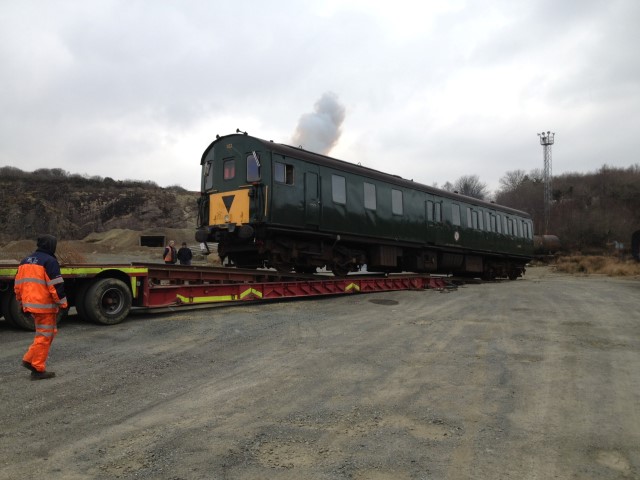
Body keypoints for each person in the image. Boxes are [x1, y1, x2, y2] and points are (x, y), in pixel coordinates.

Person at [16, 234, 68, 380]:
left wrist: (21, 302)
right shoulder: (50, 261)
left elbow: (18, 285)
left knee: (45, 334)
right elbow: (56, 286)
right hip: (45, 307)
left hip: (32, 306)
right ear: (51, 245)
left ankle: (29, 359)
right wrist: (63, 303)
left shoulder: (25, 261)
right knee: (45, 336)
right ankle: (37, 368)